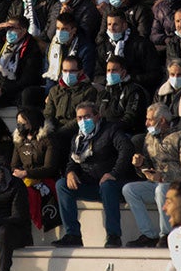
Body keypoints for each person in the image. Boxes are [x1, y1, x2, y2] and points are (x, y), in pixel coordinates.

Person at [52, 101, 134, 248]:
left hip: (112, 184)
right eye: (79, 118)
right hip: (91, 185)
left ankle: (114, 236)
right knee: (62, 185)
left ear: (97, 116)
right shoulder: (77, 138)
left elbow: (126, 149)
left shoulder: (111, 130)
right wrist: (70, 172)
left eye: (87, 116)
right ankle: (73, 235)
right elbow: (73, 161)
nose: (83, 121)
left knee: (108, 186)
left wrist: (113, 173)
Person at [124, 103, 181, 248]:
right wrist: (141, 165)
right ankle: (149, 235)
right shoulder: (150, 138)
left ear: (163, 120)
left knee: (161, 189)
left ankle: (167, 235)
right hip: (159, 183)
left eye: (150, 120)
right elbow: (149, 168)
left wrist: (163, 177)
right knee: (129, 189)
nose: (146, 123)